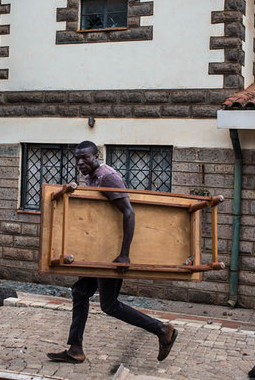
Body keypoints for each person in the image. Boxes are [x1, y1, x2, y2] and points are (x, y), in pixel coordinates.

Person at [47, 141, 177, 364]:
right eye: (77, 158)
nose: (80, 163)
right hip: (98, 250)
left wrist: (124, 254)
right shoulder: (92, 176)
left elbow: (129, 213)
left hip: (111, 252)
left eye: (85, 158)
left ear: (96, 155)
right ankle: (75, 349)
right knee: (80, 293)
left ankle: (162, 330)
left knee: (109, 305)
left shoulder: (108, 176)